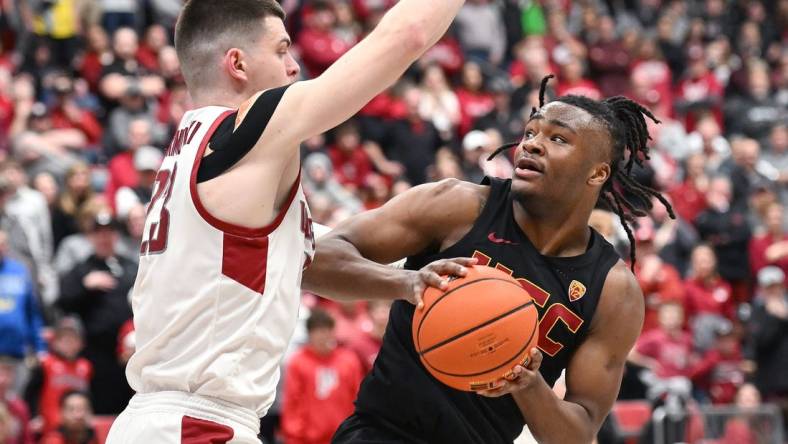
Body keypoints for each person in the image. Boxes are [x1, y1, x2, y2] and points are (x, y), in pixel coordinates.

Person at [108, 0, 470, 442]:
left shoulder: (201, 148)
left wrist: (404, 282)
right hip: (195, 426)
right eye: (281, 50)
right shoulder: (243, 133)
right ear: (237, 63)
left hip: (170, 421)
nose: (295, 66)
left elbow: (307, 263)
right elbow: (406, 35)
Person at [304, 77, 672, 442]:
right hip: (383, 433)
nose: (532, 145)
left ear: (597, 172)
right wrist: (407, 283)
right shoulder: (458, 207)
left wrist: (528, 385)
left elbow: (579, 431)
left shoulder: (613, 291)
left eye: (557, 138)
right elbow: (314, 261)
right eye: (531, 133)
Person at [57, 212, 135, 415]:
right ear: (90, 237)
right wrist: (85, 285)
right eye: (98, 233)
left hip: (131, 354)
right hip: (96, 355)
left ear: (116, 236)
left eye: (108, 233)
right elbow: (63, 302)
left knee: (131, 410)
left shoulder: (130, 267)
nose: (104, 238)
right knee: (101, 410)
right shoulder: (83, 269)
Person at [281, 309, 364, 444]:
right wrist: (294, 438)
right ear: (309, 334)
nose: (322, 336)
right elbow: (293, 403)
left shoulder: (349, 360)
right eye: (318, 331)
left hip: (344, 437)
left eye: (326, 330)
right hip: (309, 439)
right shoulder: (298, 362)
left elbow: (357, 399)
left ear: (333, 332)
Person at [24, 316, 92, 434]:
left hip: (75, 429)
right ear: (54, 342)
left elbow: (87, 397)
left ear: (81, 343)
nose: (68, 343)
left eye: (73, 338)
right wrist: (34, 416)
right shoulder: (45, 364)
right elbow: (30, 393)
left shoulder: (86, 367)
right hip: (48, 428)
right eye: (63, 338)